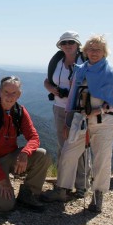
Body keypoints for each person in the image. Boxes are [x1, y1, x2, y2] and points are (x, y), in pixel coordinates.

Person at [42, 34, 113, 213]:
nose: (94, 52)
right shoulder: (80, 70)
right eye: (91, 49)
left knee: (101, 159)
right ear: (85, 51)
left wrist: (100, 110)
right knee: (68, 152)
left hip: (104, 121)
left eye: (98, 49)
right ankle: (61, 189)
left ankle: (97, 197)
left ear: (105, 52)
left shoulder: (112, 72)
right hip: (80, 119)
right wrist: (68, 121)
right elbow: (72, 97)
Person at [0, 76, 52, 212]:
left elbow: (34, 137)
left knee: (43, 155)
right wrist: (1, 179)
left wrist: (25, 152)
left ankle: (27, 194)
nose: (9, 96)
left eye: (14, 93)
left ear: (19, 95)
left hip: (11, 156)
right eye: (6, 92)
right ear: (0, 92)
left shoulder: (19, 111)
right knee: (6, 206)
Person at [43, 31, 88, 198]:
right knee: (64, 146)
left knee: (79, 147)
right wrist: (55, 90)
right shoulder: (57, 61)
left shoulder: (84, 62)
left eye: (71, 42)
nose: (68, 45)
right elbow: (47, 81)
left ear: (78, 45)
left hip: (79, 109)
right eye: (64, 43)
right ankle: (64, 185)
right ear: (60, 45)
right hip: (59, 108)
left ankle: (81, 186)